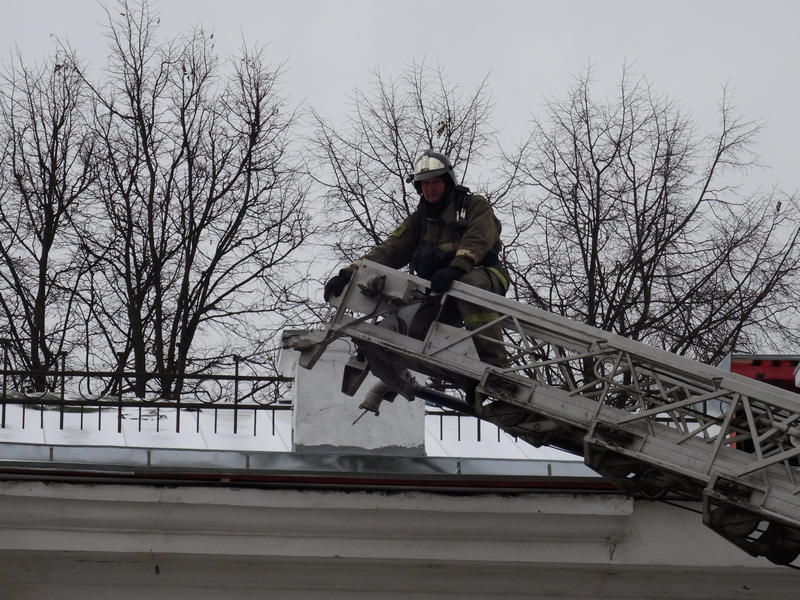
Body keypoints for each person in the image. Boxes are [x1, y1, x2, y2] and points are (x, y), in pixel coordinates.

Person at [324, 149, 510, 367]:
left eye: (435, 182)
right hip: (443, 290)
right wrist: (349, 273)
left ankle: (496, 365)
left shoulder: (473, 205)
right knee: (416, 331)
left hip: (484, 275)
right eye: (424, 184)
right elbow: (389, 250)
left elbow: (478, 239)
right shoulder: (418, 221)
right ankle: (462, 378)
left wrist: (457, 267)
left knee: (469, 288)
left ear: (447, 182)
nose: (429, 189)